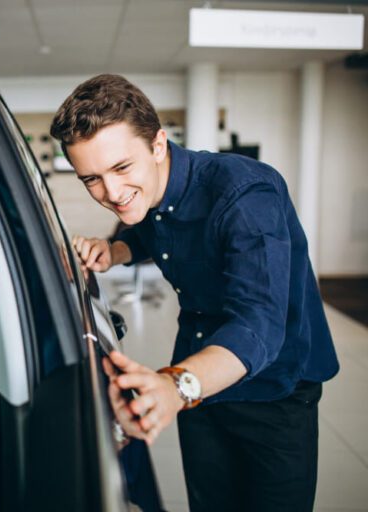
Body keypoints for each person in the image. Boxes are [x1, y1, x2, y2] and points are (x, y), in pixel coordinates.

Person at [50, 74, 339, 512]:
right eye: (91, 178)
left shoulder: (245, 195)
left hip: (274, 390)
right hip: (198, 377)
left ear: (159, 145)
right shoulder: (149, 192)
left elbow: (258, 325)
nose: (110, 193)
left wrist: (175, 387)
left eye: (121, 168)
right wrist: (115, 250)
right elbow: (151, 229)